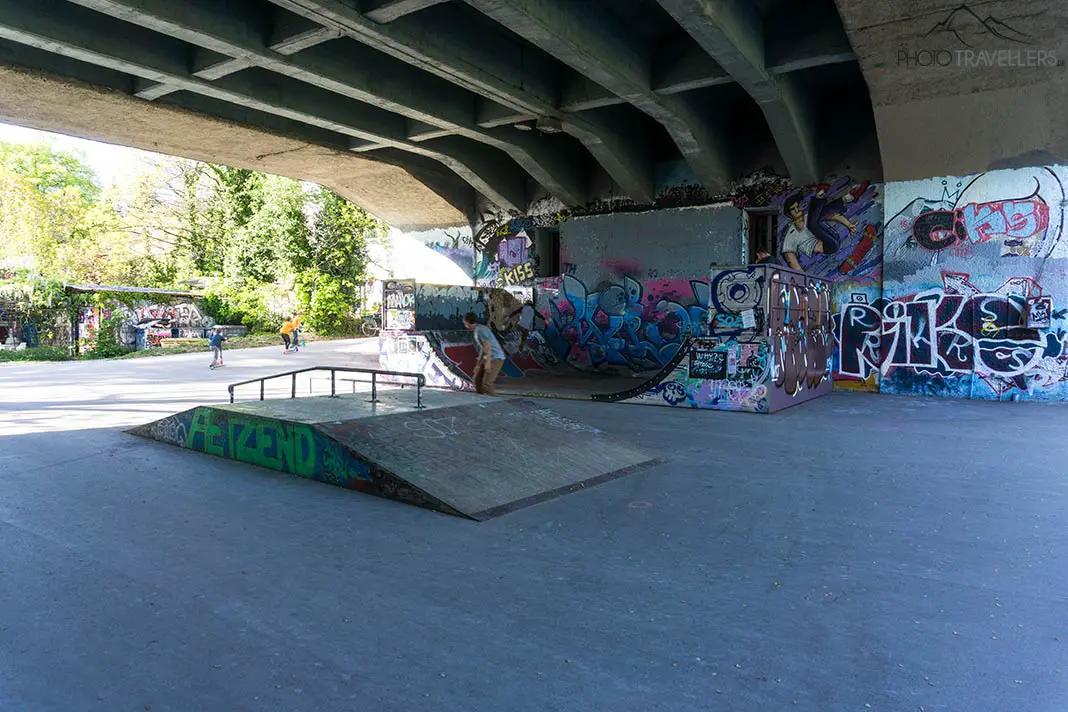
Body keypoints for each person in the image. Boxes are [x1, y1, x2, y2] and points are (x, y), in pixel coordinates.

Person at [779, 190, 857, 271]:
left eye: (797, 206)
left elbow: (831, 215)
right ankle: (821, 199)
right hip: (829, 247)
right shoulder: (791, 233)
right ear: (789, 214)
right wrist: (802, 275)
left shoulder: (810, 217)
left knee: (815, 219)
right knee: (812, 224)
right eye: (793, 209)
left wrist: (849, 224)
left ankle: (844, 199)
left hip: (833, 237)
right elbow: (791, 258)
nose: (796, 210)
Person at [463, 311, 506, 395]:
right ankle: (480, 400)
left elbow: (488, 346)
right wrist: (478, 364)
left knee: (486, 384)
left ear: (467, 322)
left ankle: (497, 404)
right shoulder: (477, 329)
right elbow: (483, 349)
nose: (465, 325)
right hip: (488, 357)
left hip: (496, 358)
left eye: (465, 323)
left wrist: (488, 363)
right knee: (477, 380)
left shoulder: (480, 330)